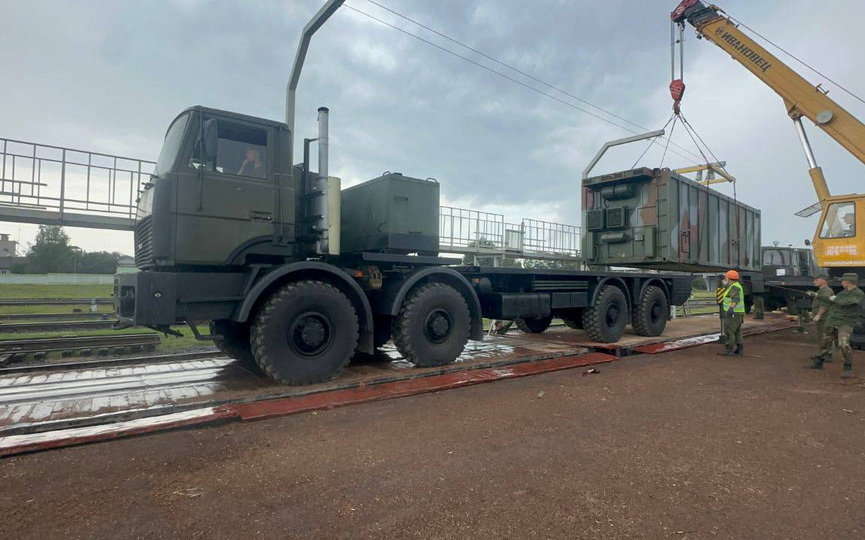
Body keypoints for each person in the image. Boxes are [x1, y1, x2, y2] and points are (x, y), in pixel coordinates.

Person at [809, 272, 864, 378]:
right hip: (834, 321)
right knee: (825, 341)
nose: (842, 283)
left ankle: (847, 367)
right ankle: (819, 361)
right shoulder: (843, 293)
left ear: (847, 282)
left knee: (843, 343)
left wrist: (835, 299)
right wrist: (816, 295)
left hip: (846, 323)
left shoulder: (858, 293)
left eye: (843, 281)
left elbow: (848, 302)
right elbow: (830, 300)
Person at [806, 274, 834, 364]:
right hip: (823, 318)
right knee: (822, 336)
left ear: (824, 280)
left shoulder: (826, 291)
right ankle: (822, 354)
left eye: (817, 280)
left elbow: (824, 306)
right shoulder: (822, 291)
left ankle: (826, 355)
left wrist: (818, 316)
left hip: (824, 318)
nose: (814, 281)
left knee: (824, 337)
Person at [718, 269, 746, 356]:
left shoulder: (734, 287)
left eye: (726, 277)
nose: (725, 278)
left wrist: (731, 308)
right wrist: (722, 281)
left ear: (729, 278)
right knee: (737, 331)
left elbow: (735, 298)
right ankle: (739, 349)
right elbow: (726, 286)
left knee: (729, 331)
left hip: (734, 313)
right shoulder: (733, 285)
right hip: (738, 313)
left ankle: (728, 350)